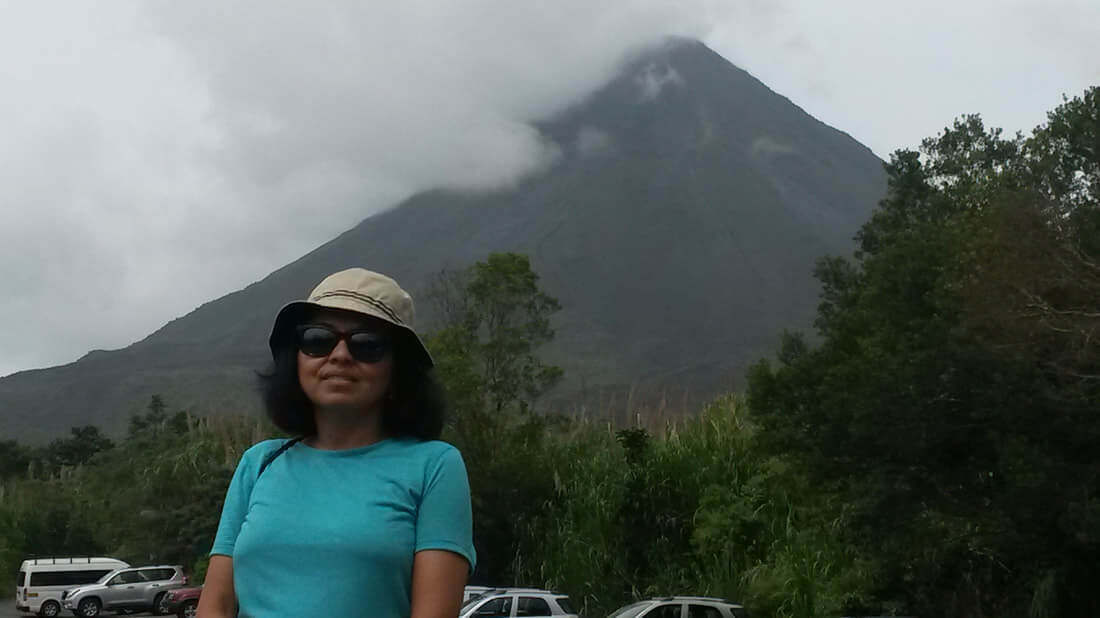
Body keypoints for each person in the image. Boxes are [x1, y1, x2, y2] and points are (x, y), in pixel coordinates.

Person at [197, 268, 475, 618]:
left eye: (367, 345)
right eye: (318, 339)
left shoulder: (434, 465)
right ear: (296, 359)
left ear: (397, 369)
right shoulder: (259, 463)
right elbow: (216, 606)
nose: (341, 355)